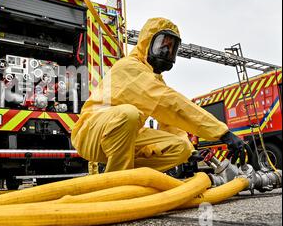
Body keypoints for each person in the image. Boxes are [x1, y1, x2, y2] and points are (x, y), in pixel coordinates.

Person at [71, 17, 245, 173]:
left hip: (124, 136)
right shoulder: (130, 68)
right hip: (91, 133)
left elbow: (170, 120)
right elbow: (171, 103)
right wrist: (223, 133)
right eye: (163, 45)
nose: (167, 52)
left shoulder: (155, 80)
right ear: (147, 43)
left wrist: (190, 152)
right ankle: (116, 184)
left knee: (181, 148)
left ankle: (132, 176)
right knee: (129, 114)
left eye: (172, 48)